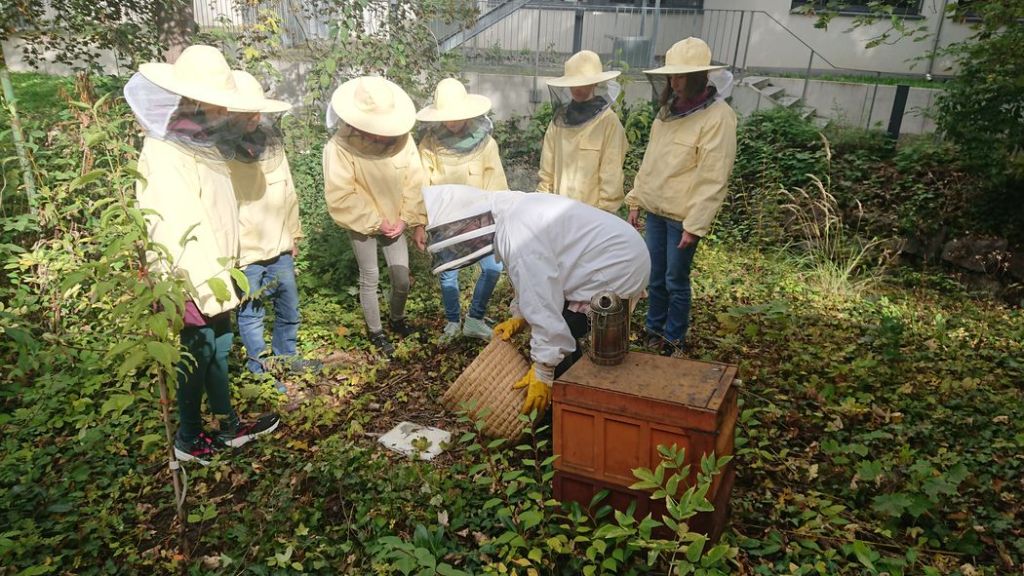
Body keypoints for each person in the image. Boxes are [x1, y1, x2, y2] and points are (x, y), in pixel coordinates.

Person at [126, 45, 281, 464]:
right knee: (198, 351)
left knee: (221, 344)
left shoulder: (203, 141)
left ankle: (228, 424)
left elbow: (218, 209)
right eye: (219, 103)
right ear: (195, 100)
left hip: (219, 266)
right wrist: (196, 284)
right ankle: (189, 438)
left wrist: (229, 265)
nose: (224, 111)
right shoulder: (165, 150)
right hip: (189, 275)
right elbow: (173, 224)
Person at [421, 185, 650, 415]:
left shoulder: (517, 230)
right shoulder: (513, 214)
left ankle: (563, 413)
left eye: (460, 230)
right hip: (615, 254)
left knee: (559, 336)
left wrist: (543, 369)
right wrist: (520, 315)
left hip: (615, 267)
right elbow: (534, 278)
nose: (467, 243)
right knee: (562, 333)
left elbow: (541, 300)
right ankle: (575, 398)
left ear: (475, 217)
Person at [625, 37, 737, 357]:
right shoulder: (667, 113)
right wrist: (636, 200)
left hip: (682, 217)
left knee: (676, 280)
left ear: (700, 76)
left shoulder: (719, 117)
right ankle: (653, 329)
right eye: (671, 76)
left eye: (680, 76)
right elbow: (652, 161)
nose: (673, 82)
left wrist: (695, 224)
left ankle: (674, 339)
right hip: (657, 210)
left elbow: (713, 175)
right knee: (655, 276)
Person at [323, 76, 427, 357]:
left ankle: (397, 319)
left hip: (396, 221)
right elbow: (341, 194)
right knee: (370, 277)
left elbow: (414, 180)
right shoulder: (338, 148)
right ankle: (377, 333)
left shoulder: (404, 141)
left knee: (402, 280)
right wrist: (376, 221)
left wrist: (407, 218)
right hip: (364, 224)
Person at [229, 71, 315, 393]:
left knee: (289, 306)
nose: (254, 117)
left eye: (256, 110)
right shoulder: (217, 151)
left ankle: (286, 358)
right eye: (246, 111)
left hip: (279, 245)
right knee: (251, 314)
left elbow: (287, 190)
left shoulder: (271, 142)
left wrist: (294, 232)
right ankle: (260, 370)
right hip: (246, 251)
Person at [416, 78, 508, 342]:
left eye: (456, 116)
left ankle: (475, 319)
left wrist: (500, 216)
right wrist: (420, 222)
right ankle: (452, 322)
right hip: (445, 220)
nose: (452, 122)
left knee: (492, 269)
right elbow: (422, 184)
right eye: (447, 117)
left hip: (480, 219)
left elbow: (497, 182)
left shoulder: (486, 144)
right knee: (448, 275)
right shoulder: (429, 145)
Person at [537, 50, 627, 213]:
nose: (576, 88)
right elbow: (547, 169)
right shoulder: (559, 122)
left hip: (592, 215)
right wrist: (542, 200)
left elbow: (611, 174)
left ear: (595, 83)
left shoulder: (608, 122)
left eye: (582, 82)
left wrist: (604, 213)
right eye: (573, 82)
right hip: (557, 210)